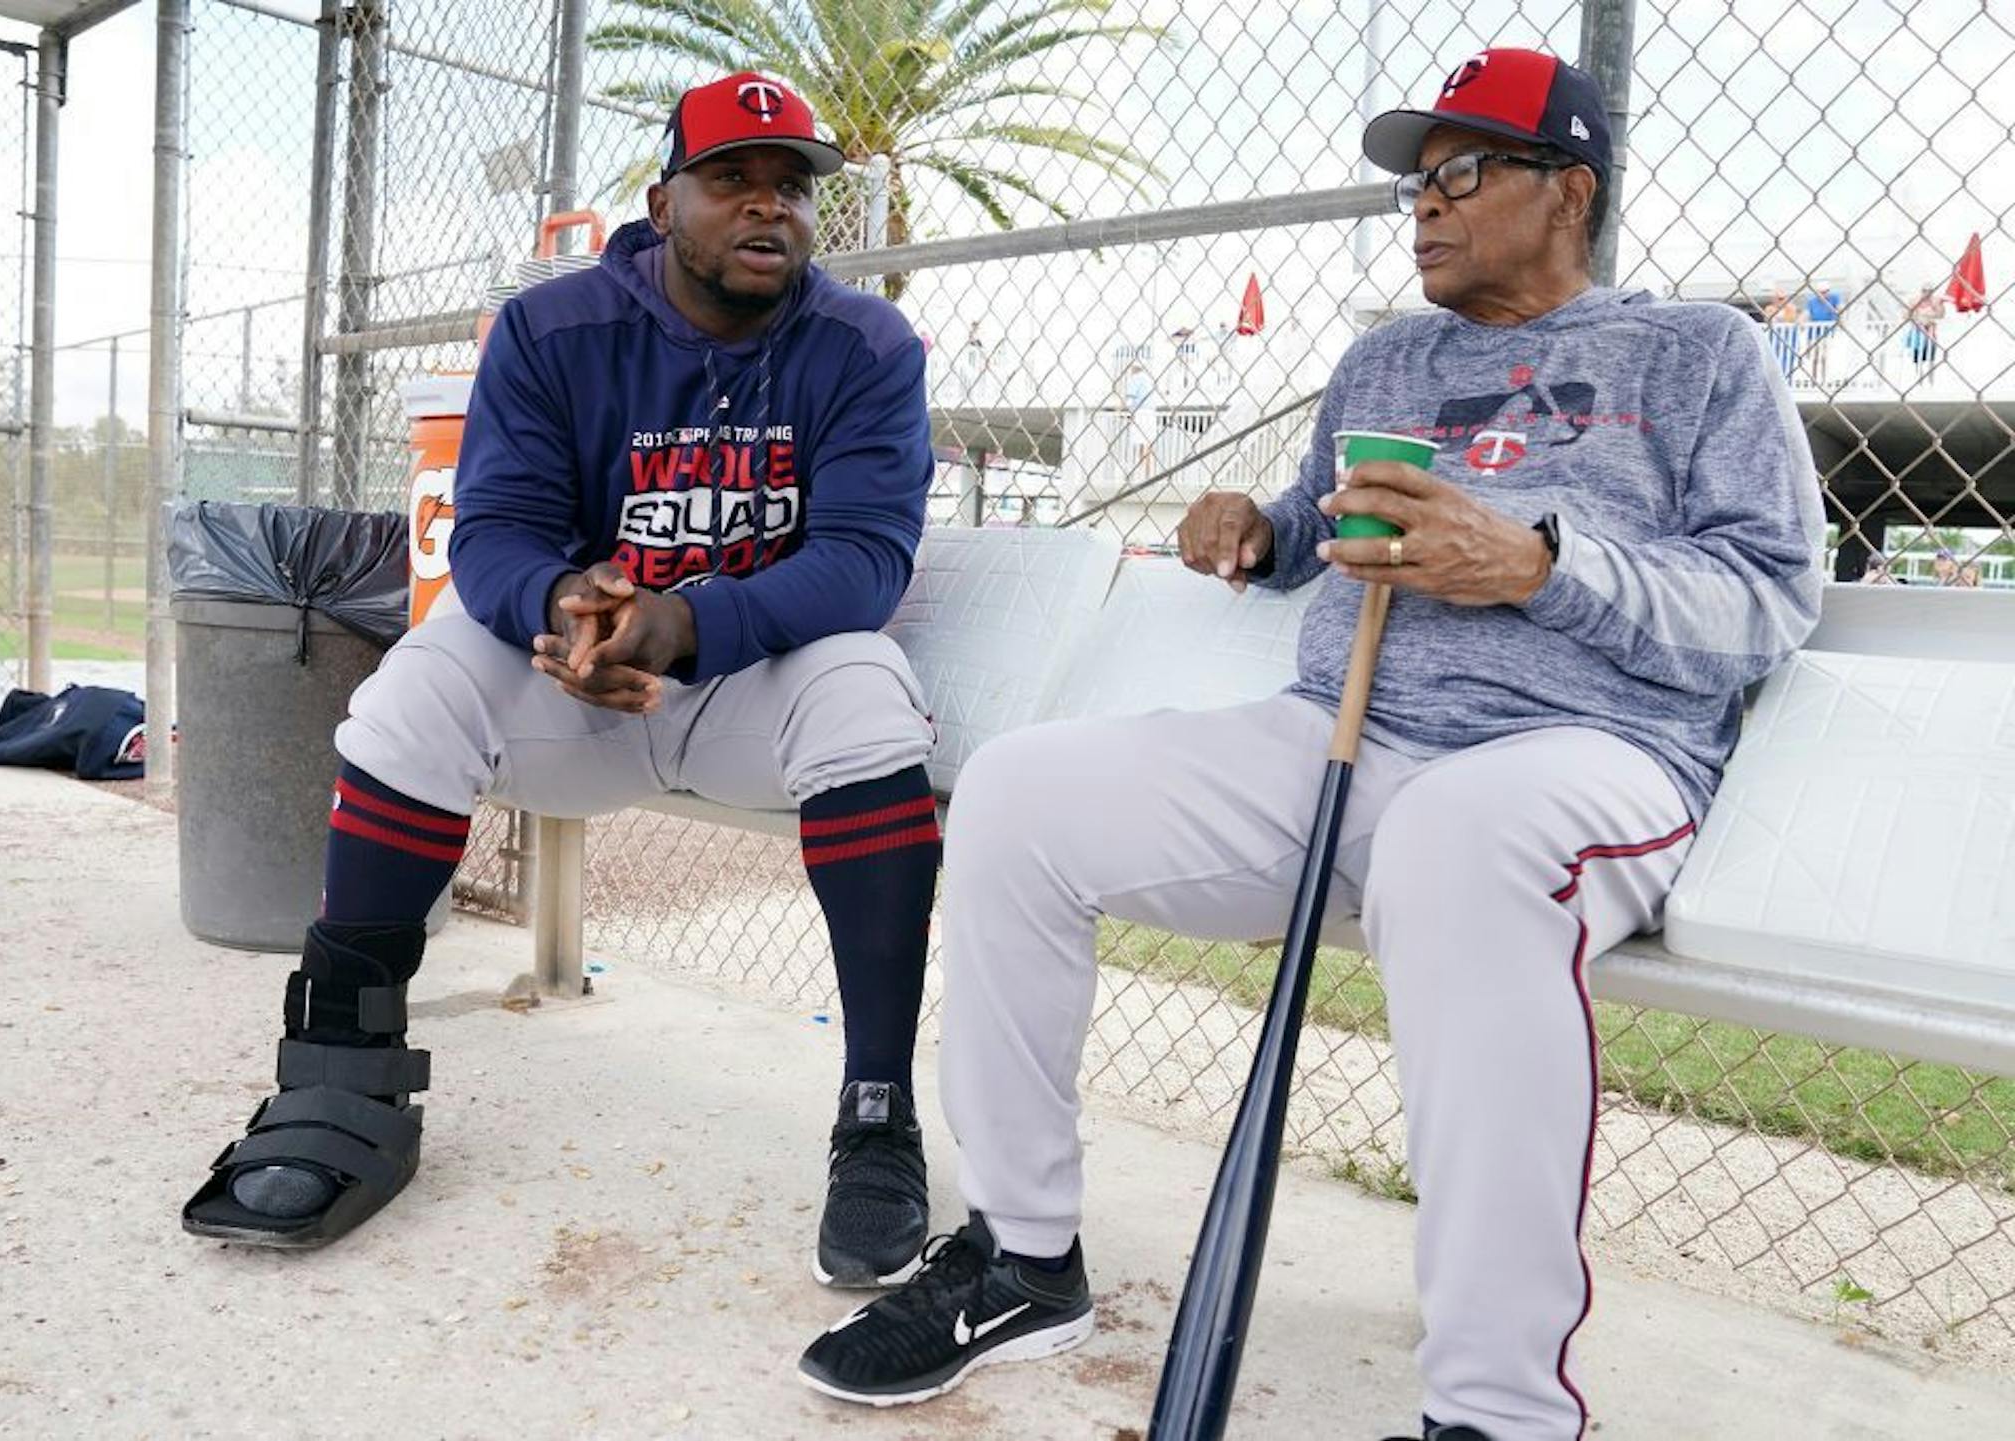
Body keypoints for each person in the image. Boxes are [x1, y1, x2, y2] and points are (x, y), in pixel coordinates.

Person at [797, 48, 1825, 1441]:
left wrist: (1537, 564)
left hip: (1576, 759)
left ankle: (1498, 1412)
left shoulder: (1700, 353)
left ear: (1569, 190)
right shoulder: (1385, 357)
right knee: (1020, 794)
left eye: (1463, 171)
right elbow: (1312, 520)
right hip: (1336, 740)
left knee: (1457, 847)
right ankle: (1026, 1256)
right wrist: (1261, 531)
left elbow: (1765, 605)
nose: (1425, 202)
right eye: (1416, 178)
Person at [182, 73, 947, 1291]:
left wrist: (685, 622)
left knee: (864, 687)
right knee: (416, 684)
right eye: (732, 179)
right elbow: (490, 532)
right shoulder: (554, 328)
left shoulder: (865, 344)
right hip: (578, 689)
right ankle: (338, 1081)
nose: (769, 207)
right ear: (663, 198)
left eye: (792, 186)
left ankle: (876, 1117)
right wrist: (564, 615)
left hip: (749, 689)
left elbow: (863, 560)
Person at [1802, 280, 1843, 384]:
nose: (1824, 294)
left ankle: (1823, 379)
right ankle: (1814, 379)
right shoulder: (1812, 301)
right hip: (1814, 333)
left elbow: (1840, 309)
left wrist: (1840, 318)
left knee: (1824, 356)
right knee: (1815, 357)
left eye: (1826, 291)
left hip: (1827, 332)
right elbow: (1806, 313)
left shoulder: (1834, 298)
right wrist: (1801, 321)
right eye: (1822, 292)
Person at [1905, 285, 1945, 373]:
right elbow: (1906, 315)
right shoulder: (1914, 301)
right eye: (1925, 291)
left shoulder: (1935, 302)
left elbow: (1940, 315)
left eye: (1930, 291)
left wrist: (1939, 305)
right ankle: (1918, 375)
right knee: (1917, 358)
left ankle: (1929, 376)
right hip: (1917, 332)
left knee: (1930, 357)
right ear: (1922, 291)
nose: (1927, 293)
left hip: (1930, 332)